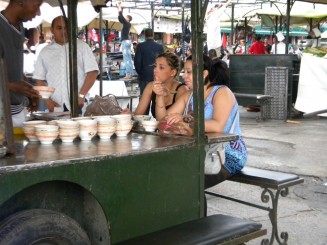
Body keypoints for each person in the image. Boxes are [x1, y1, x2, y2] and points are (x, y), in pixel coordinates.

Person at [153, 56, 247, 187]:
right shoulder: (189, 95)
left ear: (204, 74)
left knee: (187, 185)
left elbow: (218, 126)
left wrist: (185, 119)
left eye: (189, 72)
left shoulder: (221, 92)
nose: (184, 76)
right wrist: (159, 96)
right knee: (161, 174)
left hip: (226, 154)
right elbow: (163, 120)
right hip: (199, 151)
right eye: (184, 72)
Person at [33, 16, 99, 113]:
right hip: (56, 105)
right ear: (52, 30)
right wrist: (47, 101)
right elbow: (39, 79)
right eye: (59, 28)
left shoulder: (82, 47)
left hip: (78, 104)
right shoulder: (45, 52)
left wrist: (81, 95)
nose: (63, 31)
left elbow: (93, 72)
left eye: (66, 28)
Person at [0, 0, 43, 127]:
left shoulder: (20, 27)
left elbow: (13, 67)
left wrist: (27, 89)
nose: (38, 12)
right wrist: (13, 86)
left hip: (17, 112)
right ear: (20, 2)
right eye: (36, 6)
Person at [134, 52, 188, 118]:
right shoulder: (151, 86)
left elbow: (166, 121)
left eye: (161, 67)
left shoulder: (182, 90)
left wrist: (160, 96)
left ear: (173, 72)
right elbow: (137, 115)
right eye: (155, 66)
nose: (155, 70)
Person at [134, 28, 164, 95]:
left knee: (144, 98)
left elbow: (137, 62)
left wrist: (140, 72)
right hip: (157, 76)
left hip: (144, 75)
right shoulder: (160, 47)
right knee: (156, 98)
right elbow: (163, 62)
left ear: (145, 35)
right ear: (153, 34)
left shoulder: (141, 46)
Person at [117, 1, 134, 79]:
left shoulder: (127, 23)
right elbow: (120, 18)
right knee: (128, 59)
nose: (125, 18)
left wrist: (119, 6)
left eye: (126, 17)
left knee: (126, 59)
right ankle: (127, 73)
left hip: (125, 41)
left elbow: (121, 16)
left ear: (128, 19)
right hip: (127, 41)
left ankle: (128, 74)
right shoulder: (127, 24)